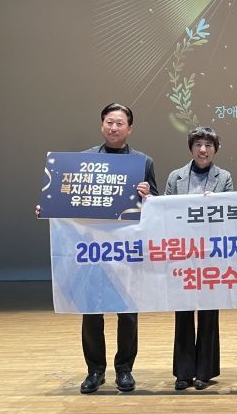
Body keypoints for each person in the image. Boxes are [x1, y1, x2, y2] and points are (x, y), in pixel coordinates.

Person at [37, 102, 158, 394]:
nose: (113, 128)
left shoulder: (143, 162)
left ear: (130, 128)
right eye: (109, 122)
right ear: (102, 125)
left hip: (125, 251)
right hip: (92, 250)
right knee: (91, 311)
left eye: (119, 123)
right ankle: (95, 371)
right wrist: (47, 207)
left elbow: (155, 206)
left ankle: (124, 370)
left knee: (128, 312)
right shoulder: (84, 160)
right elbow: (67, 197)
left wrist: (148, 194)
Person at [164, 126, 233, 390]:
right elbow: (164, 211)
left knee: (208, 312)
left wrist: (218, 202)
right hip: (182, 252)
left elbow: (230, 214)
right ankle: (183, 372)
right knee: (183, 312)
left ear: (215, 149)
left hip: (211, 253)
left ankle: (205, 371)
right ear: (191, 148)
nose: (203, 150)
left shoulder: (224, 177)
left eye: (208, 145)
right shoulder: (176, 177)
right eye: (198, 145)